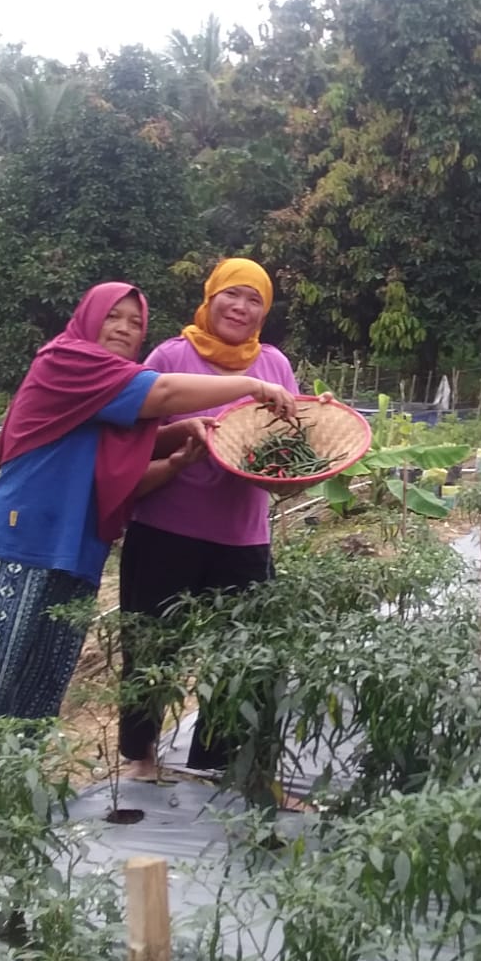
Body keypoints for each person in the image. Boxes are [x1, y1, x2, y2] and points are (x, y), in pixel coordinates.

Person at [0, 281, 298, 730]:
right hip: (22, 541)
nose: (124, 328)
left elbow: (127, 469)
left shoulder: (115, 391)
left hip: (79, 551)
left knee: (39, 694)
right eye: (113, 316)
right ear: (88, 317)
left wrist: (179, 450)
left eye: (135, 322)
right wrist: (252, 385)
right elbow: (164, 393)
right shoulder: (68, 360)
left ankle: (18, 774)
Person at [116, 258, 300, 781]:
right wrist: (185, 439)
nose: (240, 308)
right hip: (165, 529)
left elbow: (292, 440)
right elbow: (134, 442)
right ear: (210, 296)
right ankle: (140, 756)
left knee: (245, 653)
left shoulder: (274, 364)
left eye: (254, 300)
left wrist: (305, 430)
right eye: (231, 295)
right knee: (151, 644)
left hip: (243, 536)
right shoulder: (172, 355)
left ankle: (217, 761)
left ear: (265, 311)